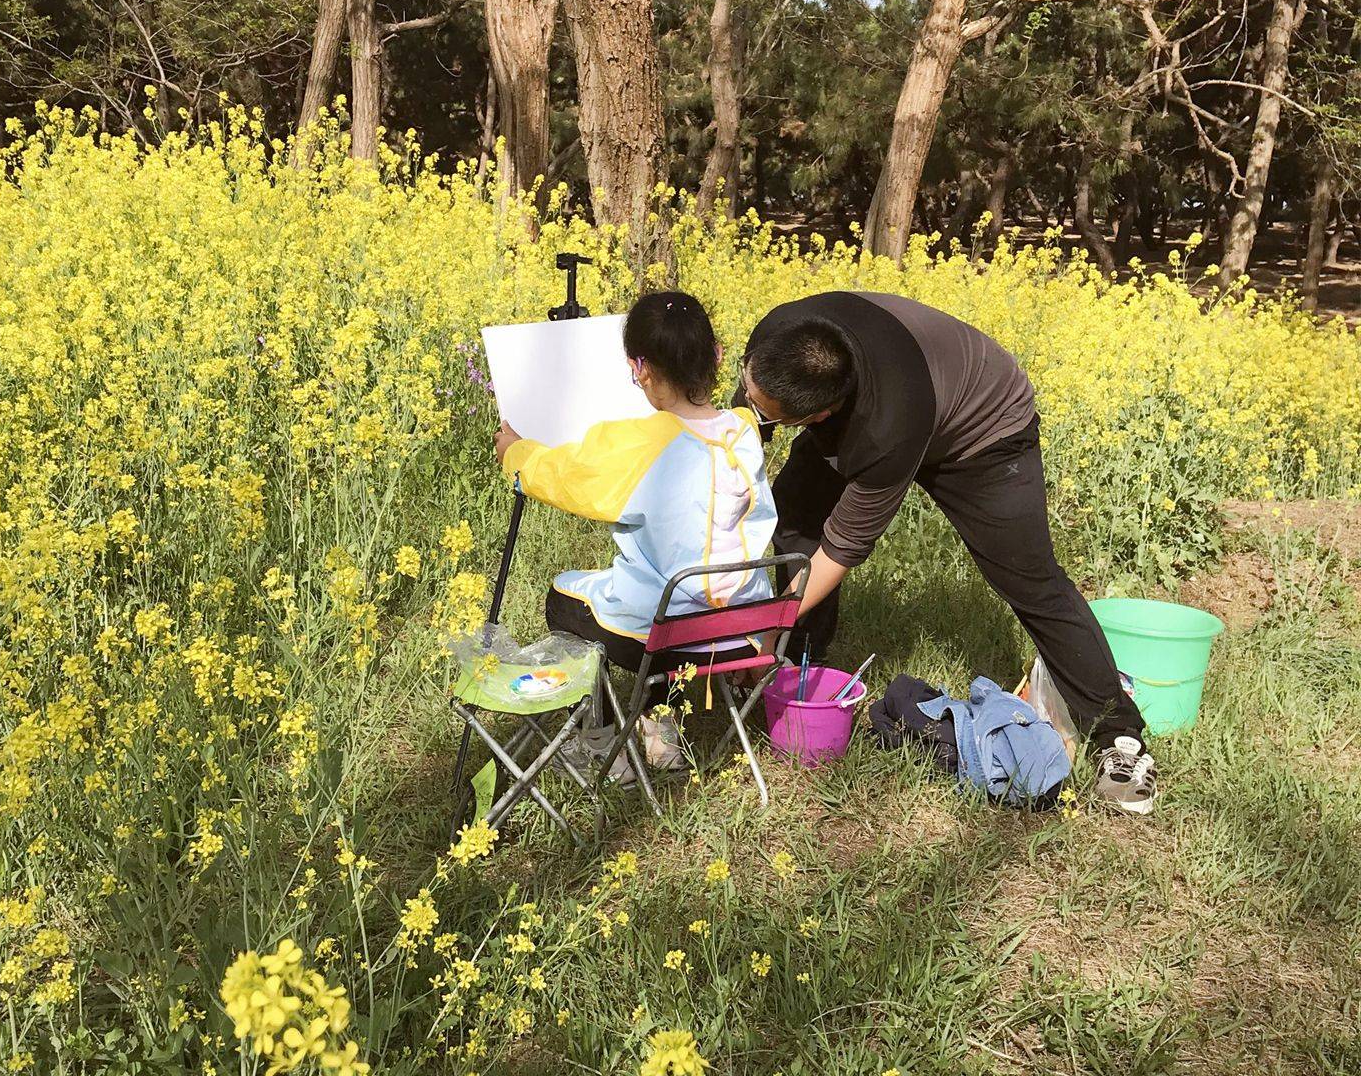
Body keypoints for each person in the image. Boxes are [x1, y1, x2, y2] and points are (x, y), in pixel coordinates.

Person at [737, 289, 1157, 816]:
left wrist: (763, 626)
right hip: (891, 397)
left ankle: (1121, 742)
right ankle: (800, 666)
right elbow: (742, 440)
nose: (748, 400)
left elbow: (841, 548)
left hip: (982, 430)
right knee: (791, 519)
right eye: (749, 387)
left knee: (1030, 582)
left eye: (763, 406)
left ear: (818, 414)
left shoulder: (886, 429)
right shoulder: (779, 338)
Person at [493, 290, 776, 769]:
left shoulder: (643, 440)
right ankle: (660, 725)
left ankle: (601, 741)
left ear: (639, 368)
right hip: (741, 627)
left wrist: (517, 453)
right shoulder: (744, 430)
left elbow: (564, 477)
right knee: (673, 591)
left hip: (669, 631)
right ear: (718, 356)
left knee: (564, 596)